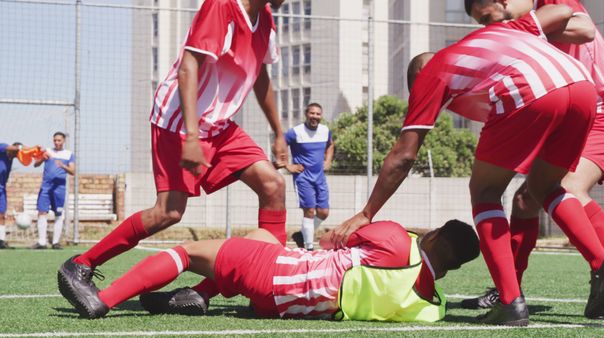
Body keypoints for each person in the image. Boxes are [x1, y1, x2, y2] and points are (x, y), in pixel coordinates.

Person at [330, 6, 604, 326]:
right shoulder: (502, 32)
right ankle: (603, 263)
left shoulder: (431, 72)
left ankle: (511, 302)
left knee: (485, 192)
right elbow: (568, 12)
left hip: (532, 91)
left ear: (418, 80)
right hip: (581, 87)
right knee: (545, 187)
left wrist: (367, 213)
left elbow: (404, 156)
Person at [58, 0, 289, 309]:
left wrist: (279, 133)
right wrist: (192, 136)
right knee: (168, 212)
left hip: (219, 126)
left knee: (273, 186)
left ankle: (204, 292)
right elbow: (188, 65)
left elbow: (259, 74)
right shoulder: (222, 6)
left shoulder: (267, 19)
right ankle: (82, 264)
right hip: (179, 120)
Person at [462, 0, 604, 321]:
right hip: (571, 109)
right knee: (525, 200)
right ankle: (508, 291)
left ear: (502, 1)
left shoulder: (550, 2)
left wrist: (520, 29)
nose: (489, 26)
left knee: (568, 186)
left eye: (487, 17)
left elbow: (584, 28)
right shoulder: (526, 21)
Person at [60, 218, 479, 320]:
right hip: (283, 307)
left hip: (276, 274)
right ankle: (202, 295)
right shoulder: (432, 306)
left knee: (188, 251)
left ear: (437, 237)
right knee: (262, 233)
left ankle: (104, 300)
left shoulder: (395, 238)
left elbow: (338, 239)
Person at [284, 103, 334, 250]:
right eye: (312, 113)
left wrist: (328, 160)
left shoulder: (325, 131)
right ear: (306, 114)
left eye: (318, 114)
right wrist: (288, 166)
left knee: (323, 212)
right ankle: (309, 247)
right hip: (303, 178)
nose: (315, 117)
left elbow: (330, 145)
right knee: (310, 211)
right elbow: (280, 145)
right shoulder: (295, 132)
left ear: (321, 116)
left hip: (320, 178)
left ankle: (301, 235)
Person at [32, 132, 75, 250]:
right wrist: (41, 159)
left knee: (59, 214)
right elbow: (35, 164)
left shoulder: (68, 154)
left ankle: (56, 242)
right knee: (42, 212)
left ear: (63, 141)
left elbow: (73, 171)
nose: (57, 142)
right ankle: (41, 242)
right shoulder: (47, 151)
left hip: (60, 188)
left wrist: (62, 166)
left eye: (59, 140)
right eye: (55, 140)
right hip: (45, 187)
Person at [0, 142, 23, 249]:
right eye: (17, 152)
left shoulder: (11, 159)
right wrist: (23, 148)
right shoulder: (3, 149)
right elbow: (10, 147)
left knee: (2, 214)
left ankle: (1, 240)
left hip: (2, 188)